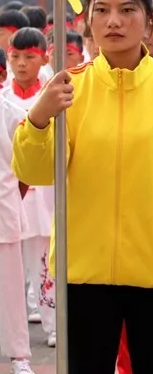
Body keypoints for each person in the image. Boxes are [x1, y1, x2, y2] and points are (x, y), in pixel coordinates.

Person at [12, 0, 153, 373]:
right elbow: (35, 172)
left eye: (127, 10)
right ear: (87, 21)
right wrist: (39, 117)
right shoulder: (67, 90)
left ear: (148, 20)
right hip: (84, 272)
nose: (114, 20)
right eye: (102, 9)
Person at [3, 28, 55, 344]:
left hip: (43, 197)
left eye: (30, 57)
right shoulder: (2, 99)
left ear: (44, 58)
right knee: (12, 270)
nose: (21, 65)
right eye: (15, 57)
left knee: (45, 264)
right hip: (10, 197)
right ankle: (15, 334)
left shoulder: (51, 97)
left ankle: (52, 326)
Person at [0, 47, 34, 374]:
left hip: (3, 212)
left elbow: (26, 165)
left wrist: (14, 196)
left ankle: (20, 356)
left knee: (10, 288)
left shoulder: (10, 113)